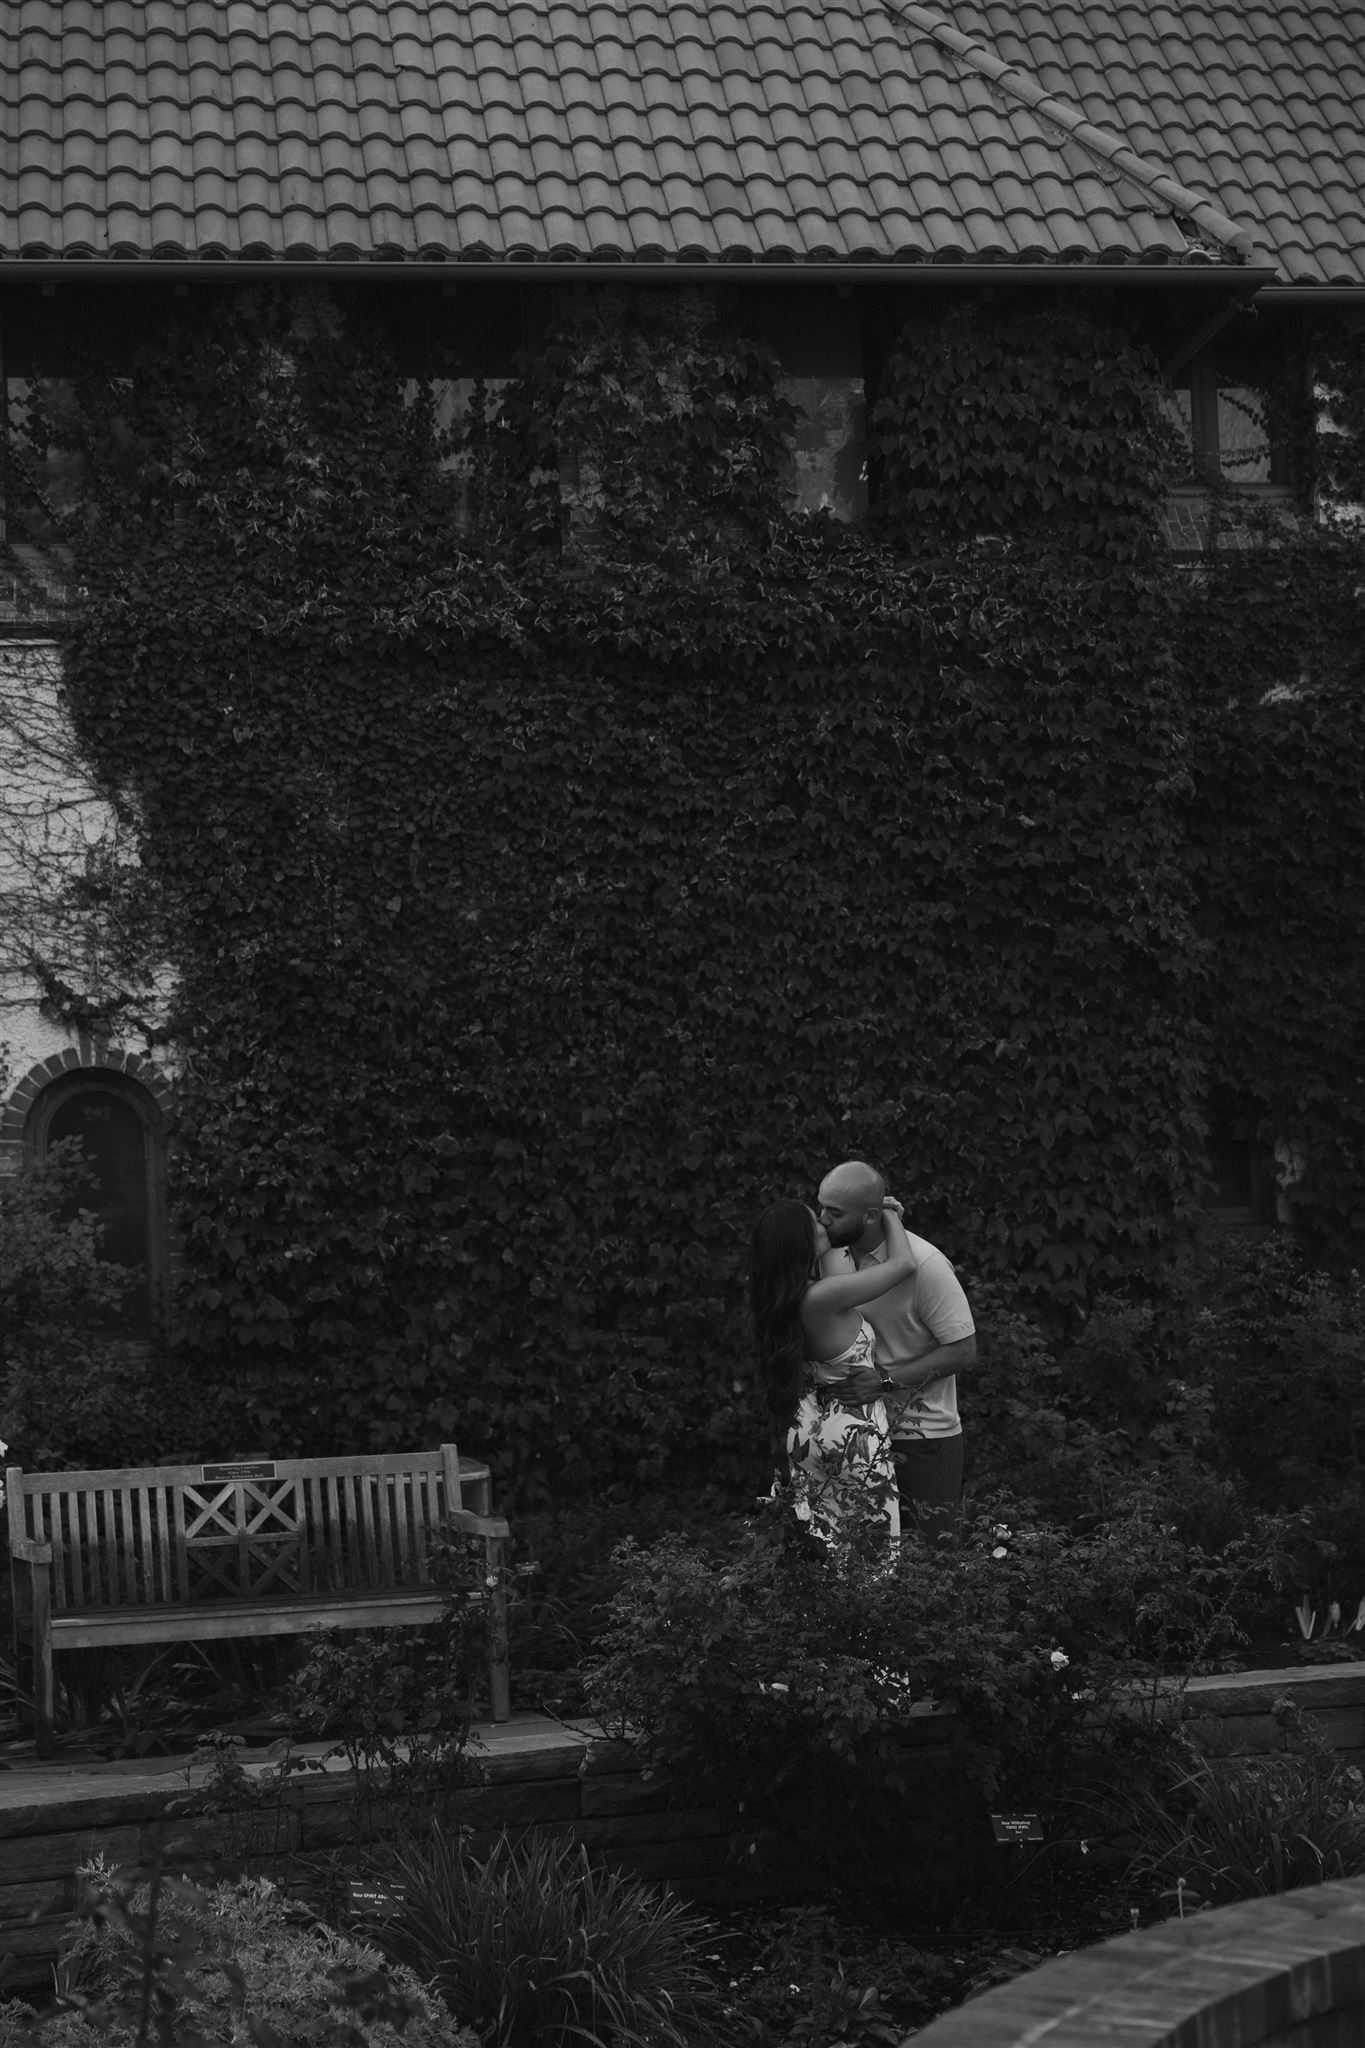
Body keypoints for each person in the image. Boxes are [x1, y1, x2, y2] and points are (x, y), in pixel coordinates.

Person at [816, 1160, 976, 1546]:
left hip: (921, 1437)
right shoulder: (830, 1255)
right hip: (855, 1438)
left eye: (834, 1213)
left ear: (872, 1215)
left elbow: (963, 1350)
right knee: (864, 1565)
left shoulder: (926, 1265)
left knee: (931, 1561)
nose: (822, 1220)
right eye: (821, 1207)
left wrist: (885, 1382)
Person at [749, 1194, 918, 1548]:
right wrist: (888, 1214)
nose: (824, 1223)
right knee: (874, 1558)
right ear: (802, 1242)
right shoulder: (822, 1297)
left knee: (821, 1552)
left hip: (804, 1430)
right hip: (851, 1435)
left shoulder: (779, 1300)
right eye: (815, 1222)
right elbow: (904, 1265)